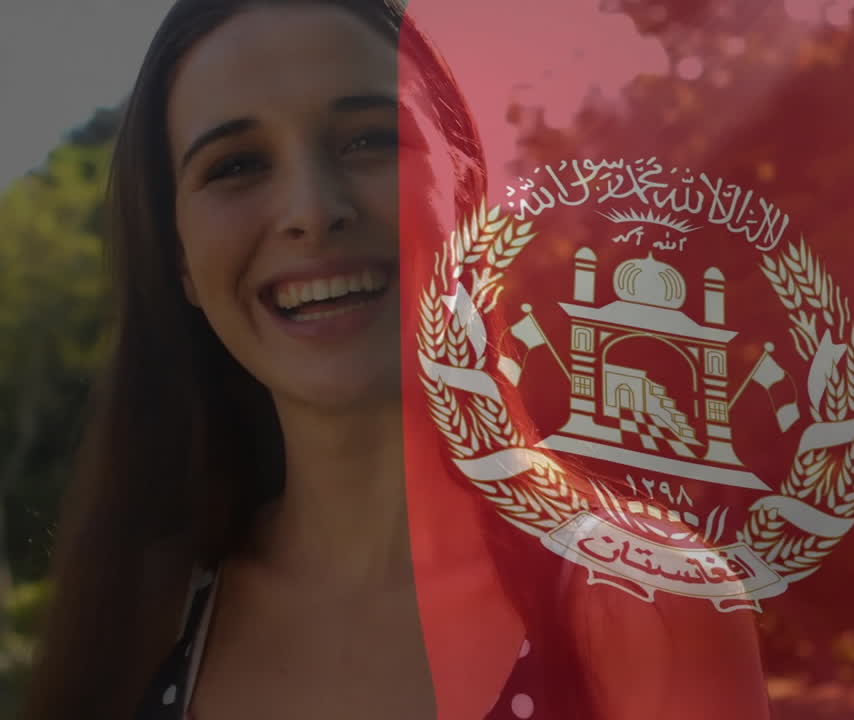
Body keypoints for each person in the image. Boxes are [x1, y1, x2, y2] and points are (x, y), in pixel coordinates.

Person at [21, 1, 768, 719]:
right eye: (237, 164)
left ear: (466, 192)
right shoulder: (141, 615)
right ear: (180, 258)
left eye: (369, 140)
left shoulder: (647, 599)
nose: (313, 210)